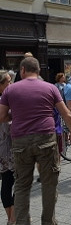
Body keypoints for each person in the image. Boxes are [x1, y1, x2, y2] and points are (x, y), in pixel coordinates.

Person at [0, 57, 71, 225]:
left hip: (20, 141)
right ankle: (48, 222)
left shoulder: (10, 91)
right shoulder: (50, 88)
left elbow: (2, 116)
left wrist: (18, 115)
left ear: (22, 71)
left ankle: (22, 222)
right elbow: (67, 114)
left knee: (21, 185)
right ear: (38, 71)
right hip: (45, 138)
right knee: (49, 184)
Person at [0, 70, 15, 225]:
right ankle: (13, 218)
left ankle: (11, 218)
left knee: (7, 181)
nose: (11, 84)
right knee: (19, 181)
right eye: (8, 82)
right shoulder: (4, 101)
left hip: (3, 146)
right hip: (9, 146)